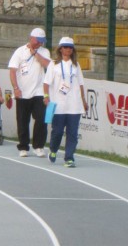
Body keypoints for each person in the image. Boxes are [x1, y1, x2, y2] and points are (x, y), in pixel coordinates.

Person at [44, 37, 88, 168]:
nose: (68, 49)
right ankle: (53, 149)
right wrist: (46, 97)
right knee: (57, 131)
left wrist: (83, 100)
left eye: (70, 47)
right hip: (58, 105)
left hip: (74, 105)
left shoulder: (76, 65)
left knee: (72, 133)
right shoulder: (53, 64)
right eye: (65, 47)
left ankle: (69, 157)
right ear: (60, 49)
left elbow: (80, 84)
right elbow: (46, 83)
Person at [8, 27, 51, 158]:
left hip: (39, 92)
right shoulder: (20, 52)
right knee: (22, 120)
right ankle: (23, 146)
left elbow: (47, 65)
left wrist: (36, 54)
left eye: (42, 41)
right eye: (38, 40)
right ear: (31, 38)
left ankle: (38, 146)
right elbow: (12, 71)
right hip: (23, 92)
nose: (40, 43)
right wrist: (16, 88)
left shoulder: (44, 51)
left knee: (41, 119)